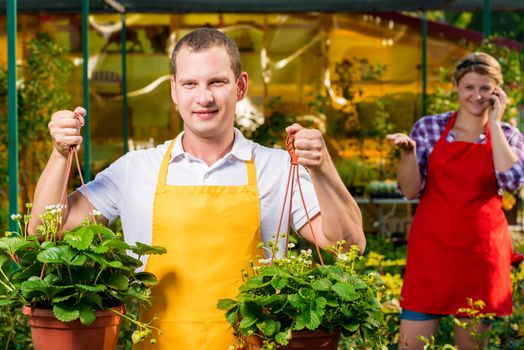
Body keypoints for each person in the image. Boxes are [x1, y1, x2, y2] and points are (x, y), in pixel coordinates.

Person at [29, 28, 365, 349]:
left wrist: (322, 169)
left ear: (240, 86)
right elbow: (46, 230)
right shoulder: (136, 168)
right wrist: (60, 154)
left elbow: (348, 245)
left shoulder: (276, 168)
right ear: (174, 90)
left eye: (216, 82)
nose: (203, 97)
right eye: (190, 84)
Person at [387, 52, 524, 350]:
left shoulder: (510, 135)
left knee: (471, 347)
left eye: (485, 88)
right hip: (431, 252)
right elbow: (410, 191)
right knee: (410, 346)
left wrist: (495, 125)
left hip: (481, 255)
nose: (477, 95)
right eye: (469, 87)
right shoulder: (428, 128)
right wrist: (407, 154)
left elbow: (512, 181)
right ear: (456, 86)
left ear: (498, 92)